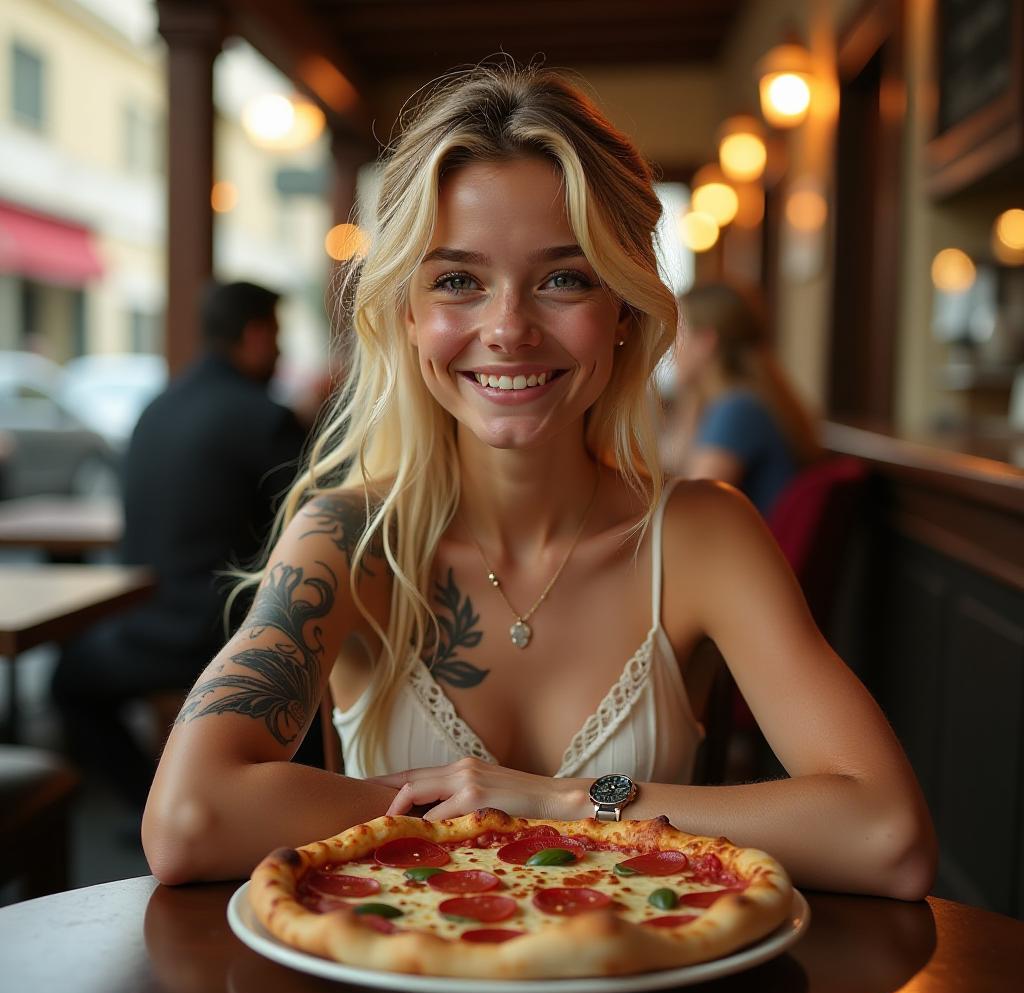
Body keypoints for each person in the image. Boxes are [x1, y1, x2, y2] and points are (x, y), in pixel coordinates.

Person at [142, 65, 936, 900]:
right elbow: (188, 817)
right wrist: (483, 811)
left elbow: (887, 834)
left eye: (564, 277)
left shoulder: (701, 535)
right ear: (408, 314)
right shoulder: (345, 538)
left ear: (625, 311)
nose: (509, 328)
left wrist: (558, 802)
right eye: (457, 280)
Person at [51, 281, 308, 809]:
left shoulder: (156, 409)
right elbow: (312, 529)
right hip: (221, 633)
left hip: (139, 624)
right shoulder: (264, 418)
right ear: (255, 335)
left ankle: (147, 802)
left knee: (67, 681)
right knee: (316, 671)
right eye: (277, 336)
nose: (280, 351)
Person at [668, 282, 821, 518]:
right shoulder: (742, 399)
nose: (670, 347)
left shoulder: (738, 410)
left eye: (678, 332)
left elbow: (692, 508)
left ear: (706, 342)